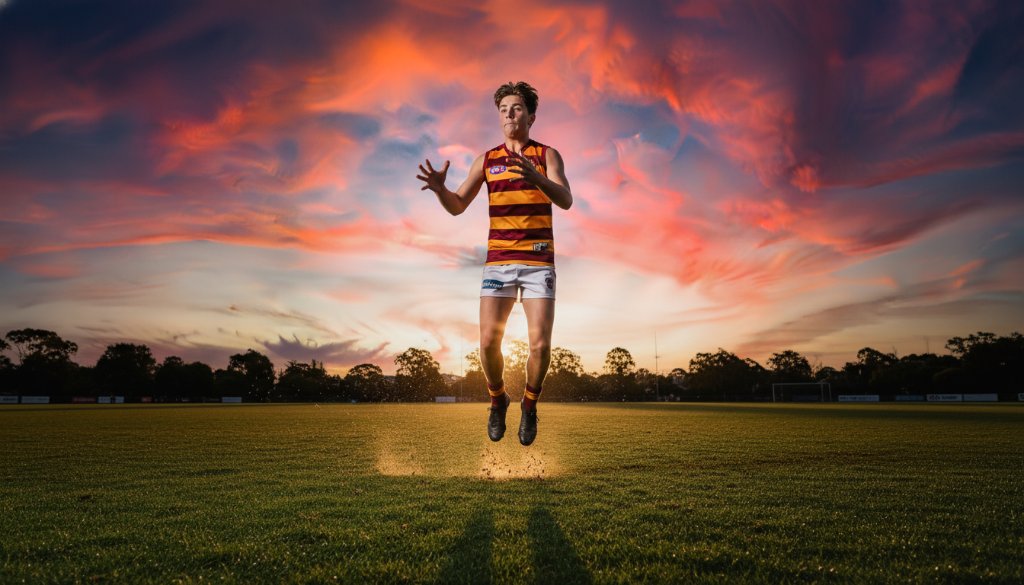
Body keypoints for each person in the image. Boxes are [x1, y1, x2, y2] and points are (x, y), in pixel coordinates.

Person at [416, 81, 573, 446]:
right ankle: (497, 399)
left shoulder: (548, 156)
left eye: (516, 108)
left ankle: (530, 405)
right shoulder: (487, 160)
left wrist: (537, 178)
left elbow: (565, 199)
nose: (508, 114)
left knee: (539, 346)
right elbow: (457, 206)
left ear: (531, 116)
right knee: (487, 342)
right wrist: (441, 190)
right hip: (498, 262)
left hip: (538, 262)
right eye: (503, 109)